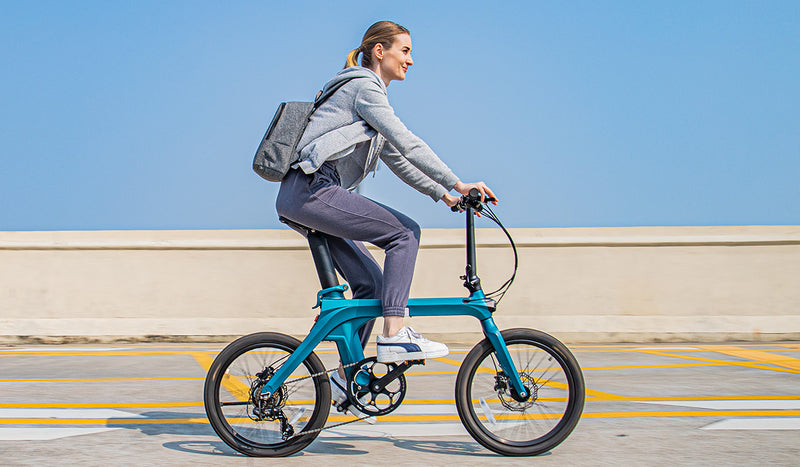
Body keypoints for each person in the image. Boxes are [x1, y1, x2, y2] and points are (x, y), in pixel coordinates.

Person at [276, 20, 496, 384]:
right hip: (313, 188)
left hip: (306, 194)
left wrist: (446, 195)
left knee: (372, 286)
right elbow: (409, 142)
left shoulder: (366, 99)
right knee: (405, 234)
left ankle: (350, 378)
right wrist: (458, 181)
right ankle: (394, 335)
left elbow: (398, 159)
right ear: (380, 51)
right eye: (405, 51)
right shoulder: (364, 88)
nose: (410, 60)